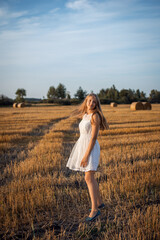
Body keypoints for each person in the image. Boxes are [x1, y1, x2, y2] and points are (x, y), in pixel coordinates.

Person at [66, 93, 109, 222]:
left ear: (96, 104)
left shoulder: (95, 116)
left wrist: (85, 156)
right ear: (86, 102)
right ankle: (99, 202)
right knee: (90, 177)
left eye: (94, 102)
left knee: (88, 178)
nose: (91, 103)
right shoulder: (85, 115)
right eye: (89, 101)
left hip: (90, 148)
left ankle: (95, 210)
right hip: (83, 146)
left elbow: (93, 138)